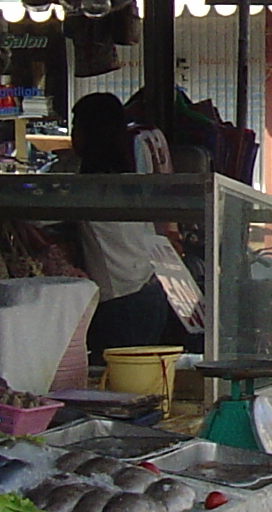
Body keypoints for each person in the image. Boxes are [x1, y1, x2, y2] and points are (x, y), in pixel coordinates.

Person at [66, 92, 189, 354]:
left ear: (91, 132)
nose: (72, 136)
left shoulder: (89, 189)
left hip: (123, 302)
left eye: (76, 127)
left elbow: (38, 215)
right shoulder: (129, 183)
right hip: (150, 293)